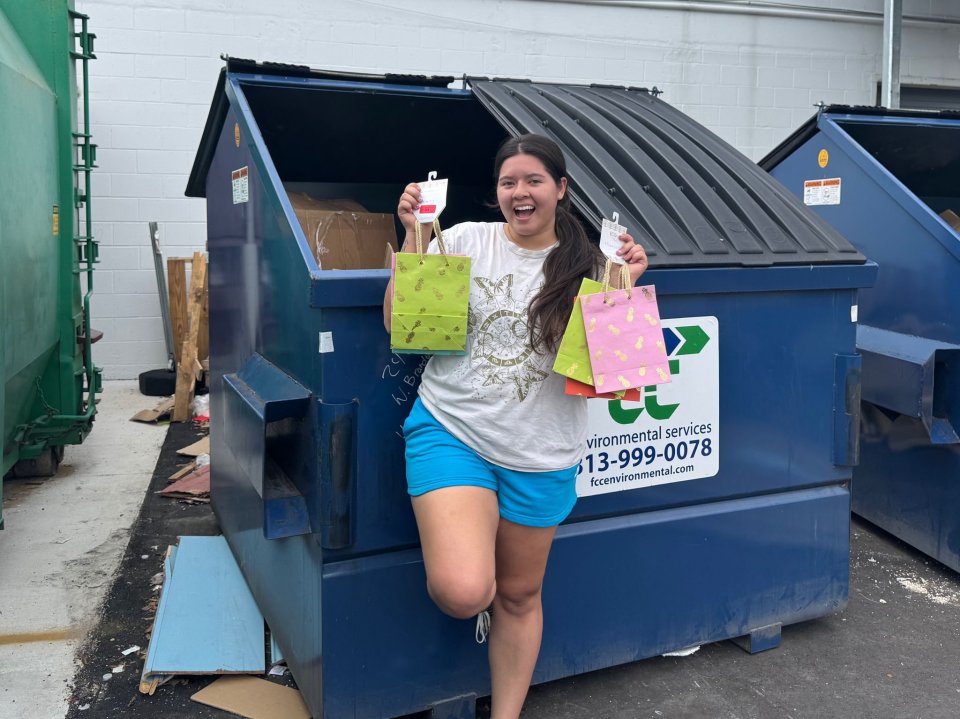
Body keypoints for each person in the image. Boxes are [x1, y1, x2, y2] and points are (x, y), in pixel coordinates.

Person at [382, 134, 648, 719]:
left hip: (543, 452)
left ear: (561, 189)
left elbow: (616, 372)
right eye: (508, 182)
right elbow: (404, 327)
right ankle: (477, 587)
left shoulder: (592, 264)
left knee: (521, 595)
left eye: (533, 181)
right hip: (454, 430)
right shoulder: (463, 240)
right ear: (497, 192)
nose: (520, 192)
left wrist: (623, 287)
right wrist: (413, 236)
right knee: (463, 590)